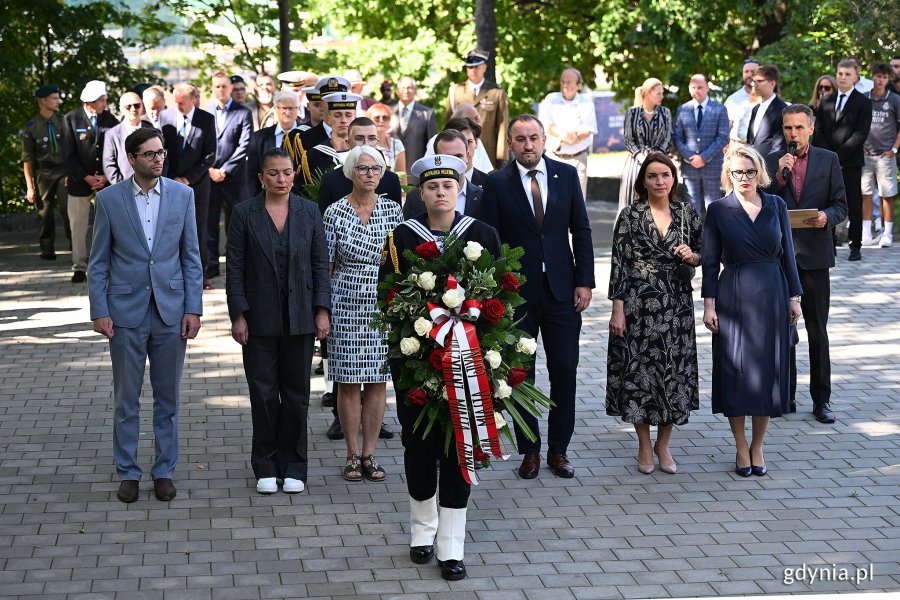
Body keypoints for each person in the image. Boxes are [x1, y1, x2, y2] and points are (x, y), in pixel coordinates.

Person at [386, 154, 501, 581]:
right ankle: (421, 533)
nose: (440, 193)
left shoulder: (482, 233)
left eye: (448, 186)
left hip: (469, 363)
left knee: (459, 449)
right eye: (432, 187)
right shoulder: (401, 235)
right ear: (420, 193)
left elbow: (501, 298)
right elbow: (390, 298)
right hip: (418, 362)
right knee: (418, 449)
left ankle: (452, 547)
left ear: (459, 190)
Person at [87, 127, 203, 503]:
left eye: (161, 152)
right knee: (126, 399)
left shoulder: (183, 195)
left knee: (167, 398)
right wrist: (100, 310)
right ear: (132, 158)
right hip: (124, 313)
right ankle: (128, 472)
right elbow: (98, 262)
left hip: (171, 312)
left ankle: (164, 471)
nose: (158, 159)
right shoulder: (108, 200)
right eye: (150, 154)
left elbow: (191, 257)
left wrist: (193, 308)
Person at [480, 115, 594, 479]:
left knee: (564, 371)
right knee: (519, 376)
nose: (528, 145)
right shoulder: (496, 183)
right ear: (510, 144)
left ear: (544, 140)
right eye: (520, 139)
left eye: (534, 138)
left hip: (563, 292)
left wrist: (586, 281)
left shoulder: (566, 175)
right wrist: (495, 289)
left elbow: (582, 229)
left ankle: (559, 451)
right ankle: (529, 450)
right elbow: (489, 242)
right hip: (516, 296)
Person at [226, 148, 331, 495]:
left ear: (294, 175)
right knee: (264, 393)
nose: (281, 180)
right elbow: (235, 268)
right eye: (273, 173)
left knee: (298, 395)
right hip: (259, 319)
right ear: (261, 178)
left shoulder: (309, 211)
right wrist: (238, 315)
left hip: (301, 317)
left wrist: (321, 310)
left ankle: (295, 465)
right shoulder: (243, 213)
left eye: (287, 173)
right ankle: (266, 464)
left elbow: (320, 265)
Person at [701, 144, 802, 477]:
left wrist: (794, 298)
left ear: (760, 171)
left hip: (773, 293)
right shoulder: (718, 209)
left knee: (767, 374)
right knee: (736, 374)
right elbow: (710, 261)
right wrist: (709, 304)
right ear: (727, 175)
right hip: (734, 296)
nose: (743, 177)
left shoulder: (776, 204)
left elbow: (788, 253)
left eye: (748, 171)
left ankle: (758, 445)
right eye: (736, 172)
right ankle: (740, 446)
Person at [607, 152, 700, 474]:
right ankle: (644, 446)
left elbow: (705, 253)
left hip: (676, 305)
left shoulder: (687, 213)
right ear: (642, 181)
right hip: (638, 305)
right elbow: (619, 265)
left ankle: (664, 444)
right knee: (639, 377)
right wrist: (617, 310)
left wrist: (692, 256)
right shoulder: (630, 215)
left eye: (665, 175)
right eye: (653, 176)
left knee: (671, 375)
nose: (660, 181)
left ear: (673, 179)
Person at [322, 145, 402, 482]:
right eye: (362, 168)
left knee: (377, 381)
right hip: (345, 301)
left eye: (376, 169)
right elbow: (324, 267)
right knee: (349, 383)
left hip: (382, 303)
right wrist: (322, 311)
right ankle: (352, 454)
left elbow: (402, 264)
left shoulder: (394, 211)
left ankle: (370, 453)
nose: (369, 174)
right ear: (351, 172)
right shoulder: (334, 212)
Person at [764, 104, 848, 424]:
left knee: (817, 330)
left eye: (799, 127)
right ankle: (786, 394)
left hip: (814, 256)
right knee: (783, 329)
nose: (793, 134)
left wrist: (827, 217)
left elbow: (841, 204)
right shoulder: (773, 163)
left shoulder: (828, 160)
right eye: (788, 128)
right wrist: (776, 179)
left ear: (811, 128)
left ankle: (822, 400)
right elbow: (760, 203)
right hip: (780, 257)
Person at [159, 82, 217, 290]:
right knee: (171, 228)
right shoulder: (165, 118)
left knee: (198, 229)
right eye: (175, 101)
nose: (178, 105)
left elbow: (210, 154)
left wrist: (188, 179)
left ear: (194, 100)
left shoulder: (206, 119)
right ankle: (171, 275)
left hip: (198, 184)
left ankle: (199, 275)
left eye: (182, 102)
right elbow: (161, 151)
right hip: (170, 183)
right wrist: (171, 178)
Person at [813, 58, 872, 261]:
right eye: (840, 73)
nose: (843, 77)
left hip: (850, 162)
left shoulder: (864, 102)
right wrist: (827, 156)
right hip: (827, 162)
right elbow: (818, 130)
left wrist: (838, 156)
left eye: (847, 74)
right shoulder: (827, 100)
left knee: (853, 203)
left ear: (856, 77)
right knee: (826, 201)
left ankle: (855, 245)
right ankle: (829, 243)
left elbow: (860, 134)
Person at [64, 80, 118, 284]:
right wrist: (86, 177)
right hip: (80, 181)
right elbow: (68, 155)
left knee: (109, 224)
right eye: (102, 100)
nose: (105, 102)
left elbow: (116, 147)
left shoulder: (109, 119)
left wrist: (105, 175)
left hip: (105, 181)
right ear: (90, 102)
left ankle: (109, 264)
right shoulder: (71, 119)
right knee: (77, 225)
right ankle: (79, 266)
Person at [205, 72, 253, 280]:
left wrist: (225, 169)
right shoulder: (205, 112)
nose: (221, 90)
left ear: (230, 88)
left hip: (234, 178)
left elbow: (245, 145)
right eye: (217, 86)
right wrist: (209, 169)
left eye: (224, 86)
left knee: (237, 224)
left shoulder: (243, 112)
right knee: (209, 223)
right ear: (212, 88)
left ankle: (237, 268)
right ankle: (211, 267)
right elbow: (201, 143)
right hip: (208, 177)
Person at [21, 84, 70, 261]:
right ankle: (47, 250)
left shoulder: (63, 121)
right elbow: (28, 159)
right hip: (44, 173)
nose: (58, 101)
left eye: (58, 97)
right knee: (45, 212)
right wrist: (30, 187)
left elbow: (71, 150)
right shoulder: (32, 127)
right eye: (54, 98)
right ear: (43, 101)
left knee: (67, 208)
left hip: (64, 171)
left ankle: (76, 248)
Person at [538, 67, 598, 200]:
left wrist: (564, 136)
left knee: (577, 202)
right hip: (554, 158)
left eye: (569, 82)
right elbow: (545, 126)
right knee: (551, 200)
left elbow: (587, 130)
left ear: (578, 85)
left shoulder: (586, 103)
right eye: (562, 81)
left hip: (578, 159)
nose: (565, 85)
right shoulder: (551, 99)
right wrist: (569, 136)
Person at [673, 74, 730, 214]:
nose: (696, 90)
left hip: (713, 168)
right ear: (689, 88)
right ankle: (693, 236)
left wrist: (703, 157)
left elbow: (722, 137)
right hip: (690, 168)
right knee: (691, 211)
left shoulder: (720, 109)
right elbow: (677, 138)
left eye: (700, 87)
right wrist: (690, 157)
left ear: (707, 88)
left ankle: (713, 237)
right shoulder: (682, 110)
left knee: (714, 209)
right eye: (693, 87)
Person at [446, 50, 509, 169]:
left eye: (476, 66)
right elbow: (448, 124)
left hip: (488, 153)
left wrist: (502, 158)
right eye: (470, 67)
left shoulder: (496, 93)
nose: (473, 70)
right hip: (459, 152)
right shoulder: (455, 91)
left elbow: (502, 127)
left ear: (484, 67)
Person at [403, 129, 484, 219]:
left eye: (458, 156)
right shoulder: (415, 199)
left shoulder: (483, 198)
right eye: (447, 157)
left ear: (467, 156)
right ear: (436, 159)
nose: (453, 162)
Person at [861, 63, 900, 248]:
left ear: (888, 79)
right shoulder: (863, 99)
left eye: (884, 77)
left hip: (886, 155)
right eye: (877, 76)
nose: (880, 80)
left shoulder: (894, 99)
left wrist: (893, 150)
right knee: (865, 194)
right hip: (866, 154)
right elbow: (857, 126)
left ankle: (887, 233)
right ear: (872, 77)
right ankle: (866, 234)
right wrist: (859, 146)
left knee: (887, 195)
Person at [618, 77, 672, 209]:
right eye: (658, 93)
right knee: (631, 197)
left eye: (662, 93)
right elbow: (628, 139)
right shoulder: (632, 113)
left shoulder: (665, 113)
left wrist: (656, 157)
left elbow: (667, 138)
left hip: (659, 159)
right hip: (635, 161)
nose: (662, 96)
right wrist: (641, 157)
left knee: (657, 199)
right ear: (647, 93)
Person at [246, 91, 308, 197]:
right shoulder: (259, 138)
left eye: (291, 108)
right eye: (283, 108)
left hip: (301, 198)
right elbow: (251, 175)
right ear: (275, 109)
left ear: (298, 109)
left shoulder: (308, 135)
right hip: (266, 198)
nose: (287, 112)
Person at [390, 77, 437, 182]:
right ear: (397, 91)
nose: (406, 91)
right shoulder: (388, 112)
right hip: (390, 173)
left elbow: (431, 147)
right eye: (403, 88)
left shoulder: (427, 113)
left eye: (410, 88)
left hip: (416, 175)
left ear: (415, 91)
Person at [103, 92, 155, 185]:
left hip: (151, 188)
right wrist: (124, 188)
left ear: (142, 106)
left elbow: (163, 160)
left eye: (137, 105)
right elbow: (109, 165)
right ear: (121, 109)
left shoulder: (154, 132)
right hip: (124, 190)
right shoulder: (112, 135)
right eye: (128, 106)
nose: (133, 109)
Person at [746, 65, 788, 158]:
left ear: (772, 84)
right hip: (752, 164)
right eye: (754, 81)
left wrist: (767, 167)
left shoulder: (782, 109)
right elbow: (750, 141)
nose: (755, 85)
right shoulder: (755, 109)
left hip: (769, 167)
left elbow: (779, 145)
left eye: (760, 81)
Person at [724, 59, 760, 142]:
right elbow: (726, 128)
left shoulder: (766, 97)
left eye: (753, 71)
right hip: (738, 148)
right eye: (746, 71)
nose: (749, 74)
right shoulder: (732, 100)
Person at [366, 102, 407, 177]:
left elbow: (402, 177)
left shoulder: (397, 144)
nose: (381, 120)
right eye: (377, 118)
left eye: (385, 118)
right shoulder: (362, 144)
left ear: (389, 121)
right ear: (369, 121)